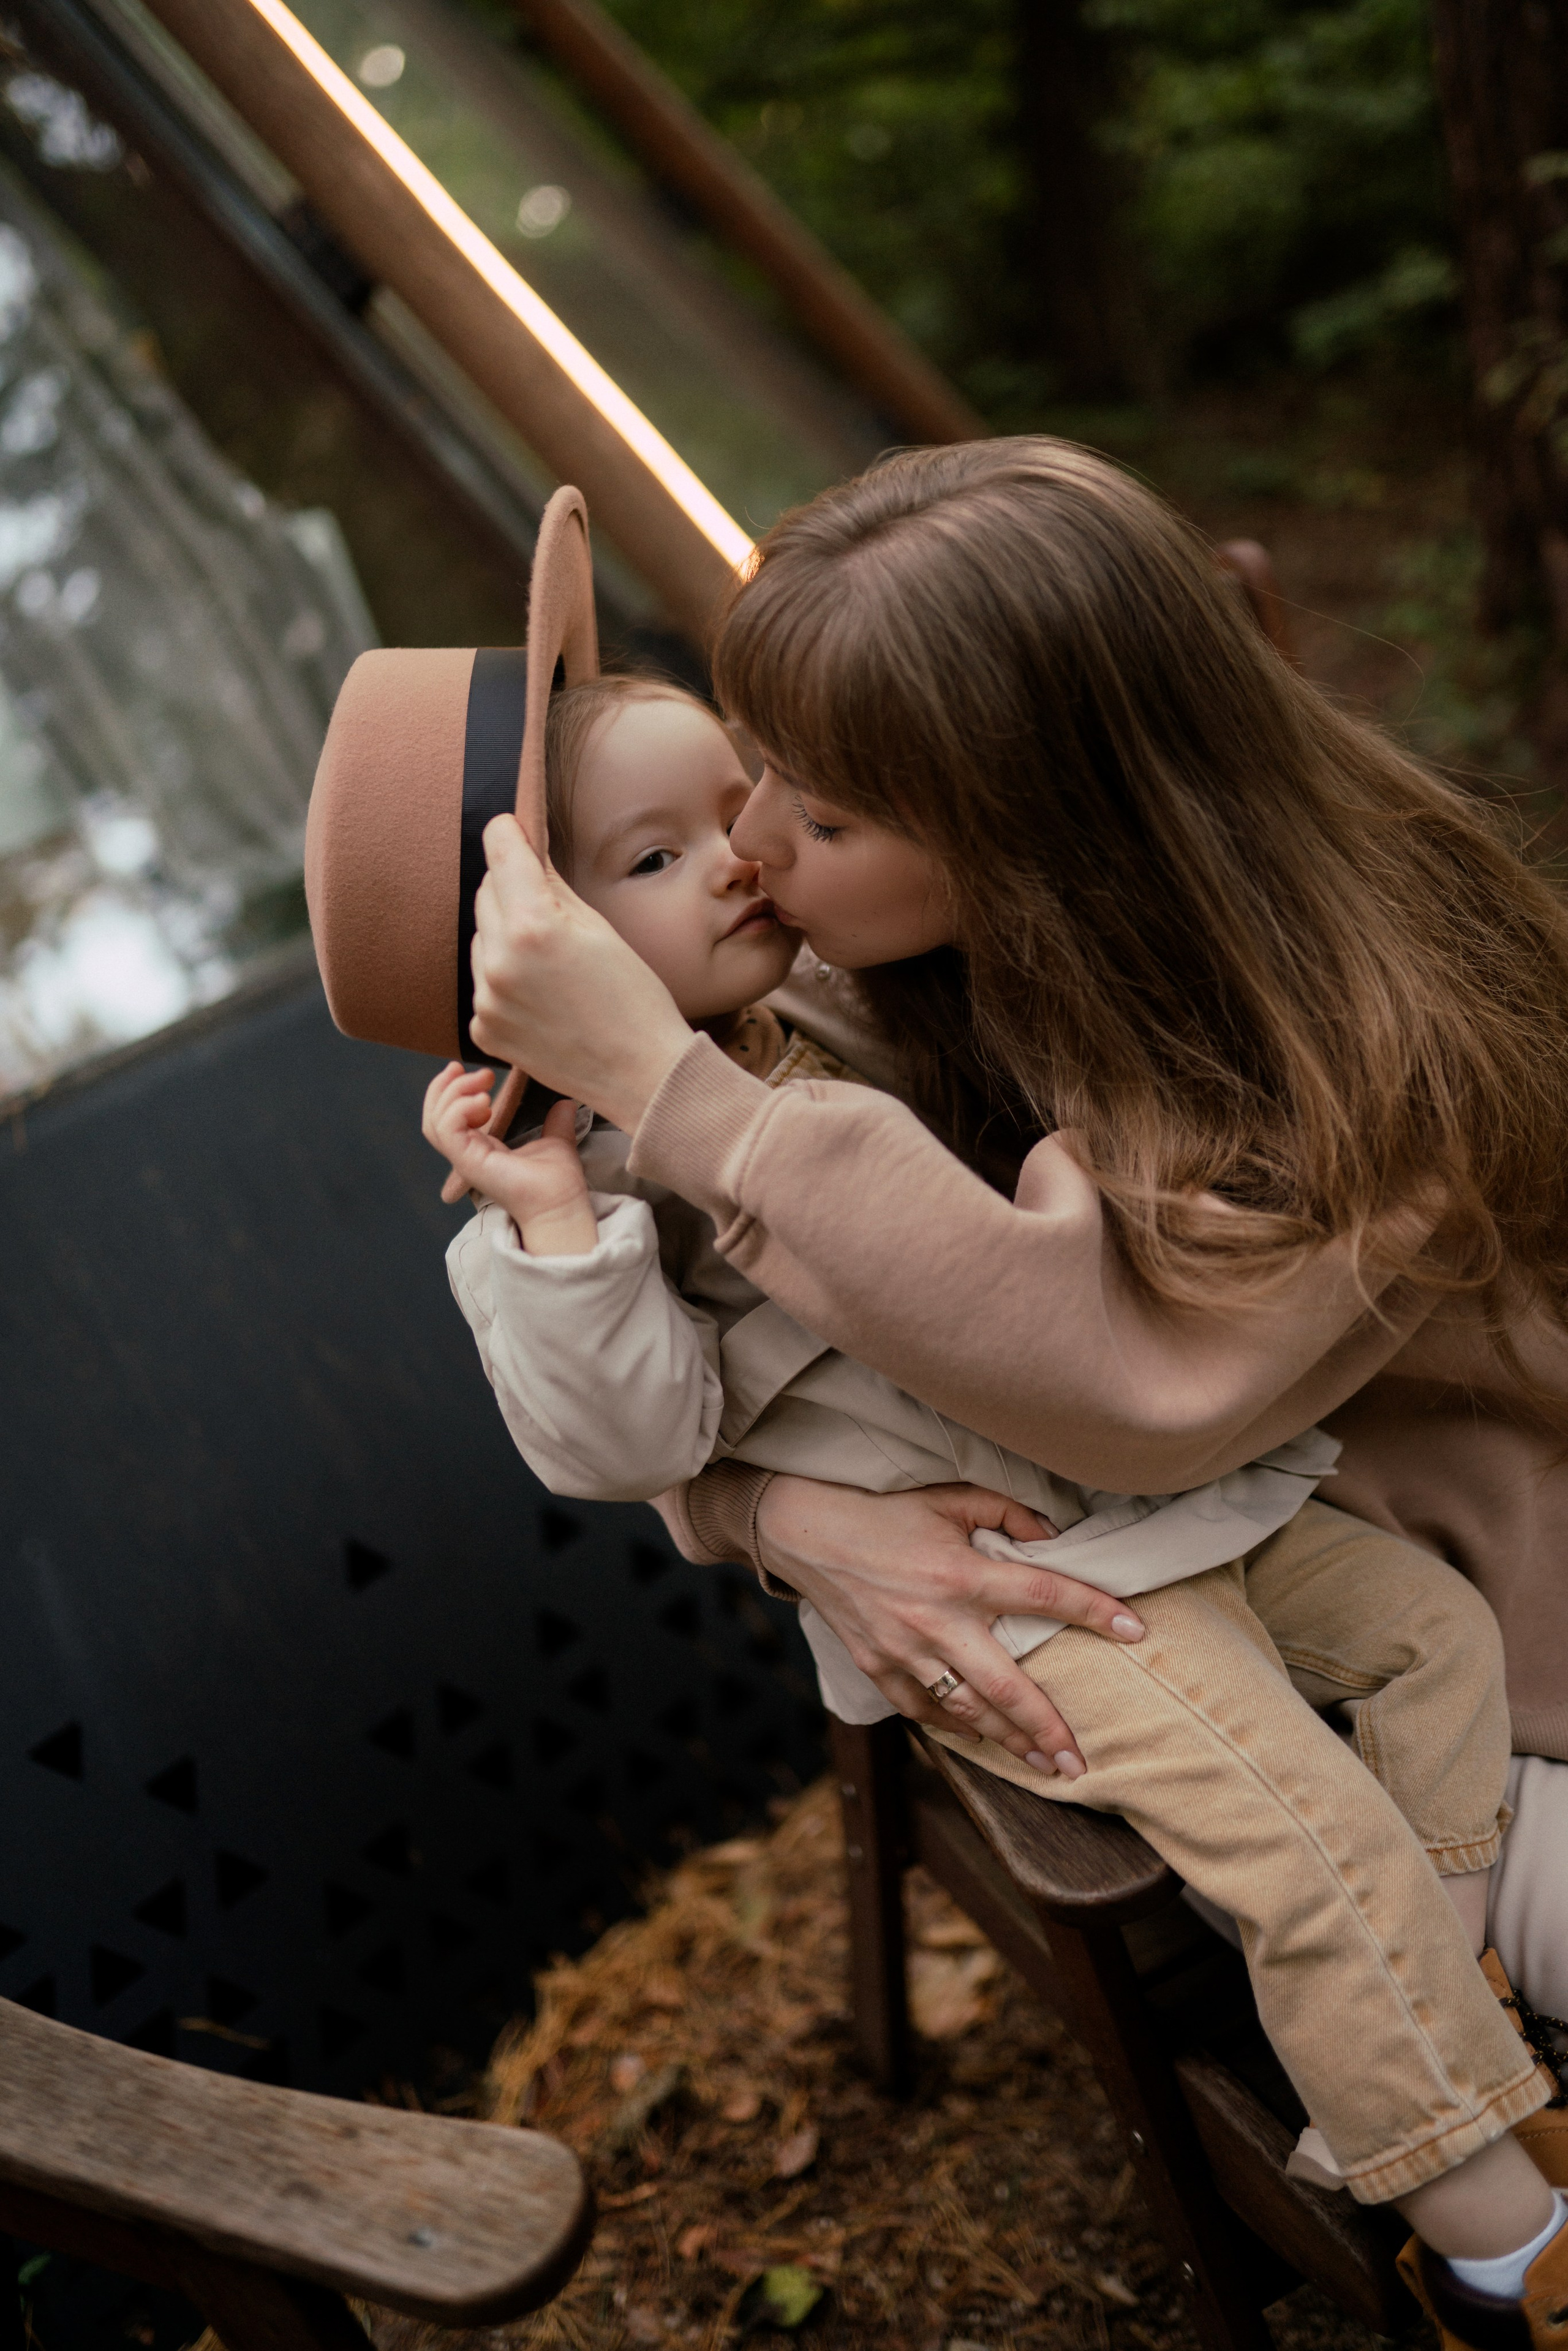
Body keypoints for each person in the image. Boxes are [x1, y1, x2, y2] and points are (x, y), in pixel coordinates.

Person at [455, 440, 1568, 2346]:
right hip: (1199, 1610)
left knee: (1378, 1809)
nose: (753, 844)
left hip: (1486, 1598)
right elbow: (667, 1386)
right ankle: (1477, 2168)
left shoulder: (1356, 1036)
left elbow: (1120, 1394)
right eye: (752, 765)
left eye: (818, 803)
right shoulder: (880, 987)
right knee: (1318, 1847)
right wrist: (774, 1515)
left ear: (1036, 824)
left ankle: (1446, 2057)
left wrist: (678, 1093)